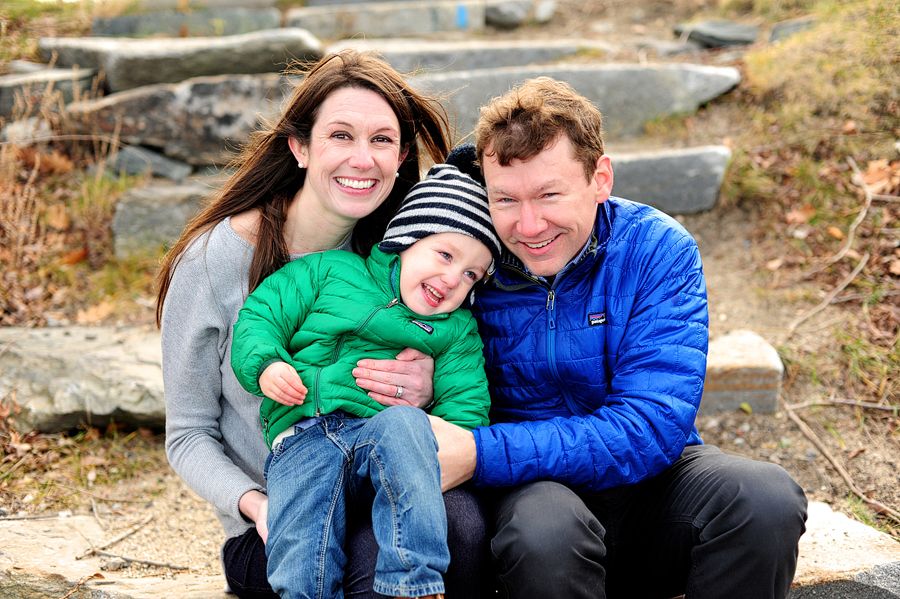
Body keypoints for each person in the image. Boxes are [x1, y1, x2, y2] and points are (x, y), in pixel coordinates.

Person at [420, 78, 809, 599]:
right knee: (545, 532)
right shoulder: (467, 264)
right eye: (505, 199)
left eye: (549, 194)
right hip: (536, 501)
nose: (528, 224)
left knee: (765, 498)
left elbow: (652, 426)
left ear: (600, 177)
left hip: (651, 489)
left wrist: (479, 451)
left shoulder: (655, 249)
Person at [155, 50, 490, 599]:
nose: (363, 158)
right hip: (281, 510)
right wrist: (256, 505)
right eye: (341, 135)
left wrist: (427, 386)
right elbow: (188, 435)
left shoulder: (406, 254)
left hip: (376, 479)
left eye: (381, 140)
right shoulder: (214, 263)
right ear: (300, 146)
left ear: (402, 156)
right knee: (371, 555)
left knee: (466, 527)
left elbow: (457, 359)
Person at [230, 161, 501, 599]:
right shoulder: (329, 272)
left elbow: (465, 408)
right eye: (445, 255)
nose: (453, 279)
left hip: (383, 443)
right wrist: (266, 366)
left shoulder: (456, 330)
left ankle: (414, 585)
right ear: (406, 240)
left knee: (406, 424)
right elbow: (261, 316)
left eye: (472, 273)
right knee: (301, 542)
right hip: (305, 434)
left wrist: (439, 437)